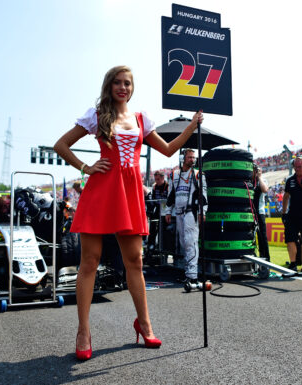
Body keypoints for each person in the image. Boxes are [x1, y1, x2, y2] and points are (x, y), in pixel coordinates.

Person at [54, 65, 203, 360]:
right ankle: (83, 331)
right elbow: (61, 145)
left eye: (128, 83)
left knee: (134, 260)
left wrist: (192, 126)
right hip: (101, 192)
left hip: (130, 193)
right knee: (89, 262)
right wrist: (86, 167)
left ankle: (144, 323)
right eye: (118, 83)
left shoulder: (140, 119)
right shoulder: (96, 116)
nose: (123, 88)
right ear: (109, 86)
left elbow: (170, 150)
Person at [165, 148, 208, 285]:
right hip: (178, 212)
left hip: (191, 212)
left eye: (193, 157)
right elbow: (171, 194)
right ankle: (187, 273)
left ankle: (193, 276)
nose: (192, 159)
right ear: (183, 158)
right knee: (184, 244)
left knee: (191, 242)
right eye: (189, 157)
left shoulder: (198, 174)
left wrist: (203, 211)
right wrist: (167, 211)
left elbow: (203, 195)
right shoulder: (174, 174)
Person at [147, 170, 170, 254]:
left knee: (163, 231)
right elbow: (152, 200)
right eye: (155, 179)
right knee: (152, 229)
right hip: (157, 210)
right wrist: (150, 211)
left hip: (166, 211)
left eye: (158, 179)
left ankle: (163, 249)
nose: (156, 181)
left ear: (163, 178)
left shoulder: (168, 186)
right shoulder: (154, 186)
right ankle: (151, 248)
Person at [252, 164, 270, 260]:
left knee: (262, 236)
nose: (255, 172)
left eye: (257, 170)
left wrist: (259, 177)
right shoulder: (249, 181)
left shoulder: (262, 181)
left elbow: (265, 189)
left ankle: (266, 258)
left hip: (260, 211)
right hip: (250, 212)